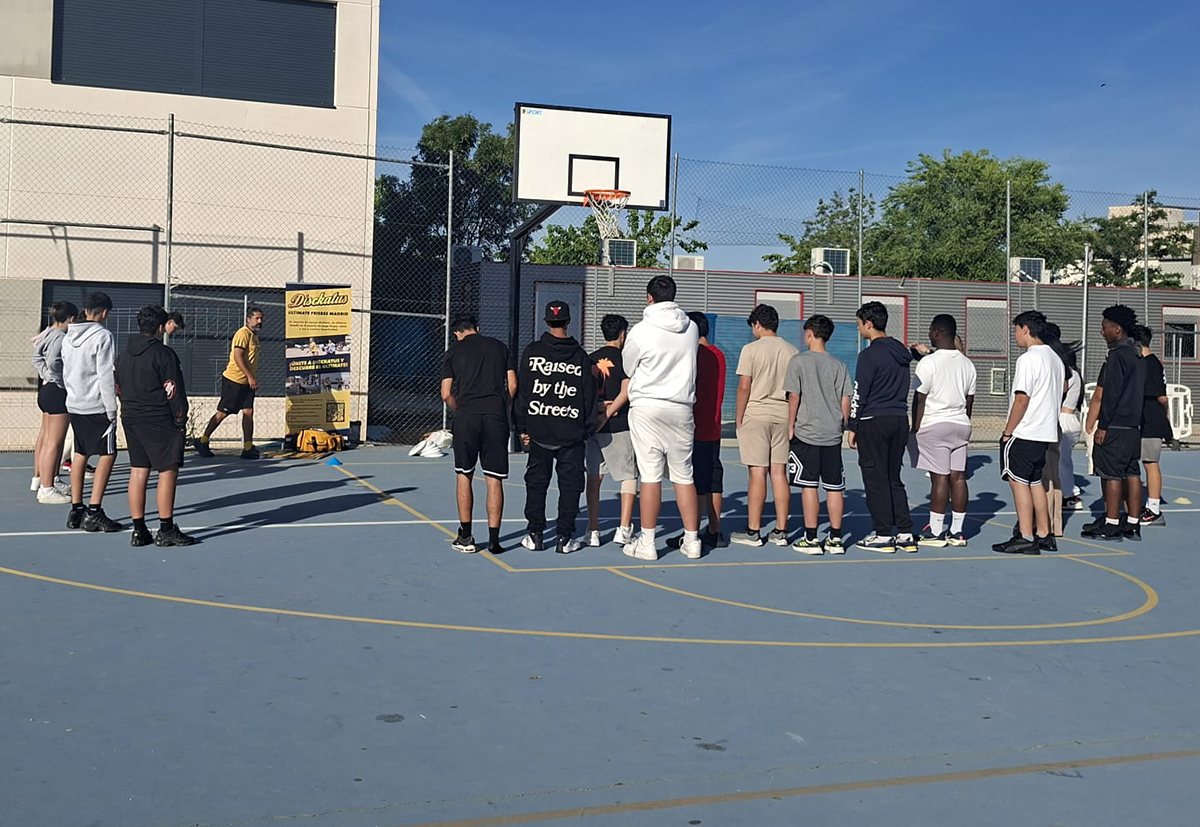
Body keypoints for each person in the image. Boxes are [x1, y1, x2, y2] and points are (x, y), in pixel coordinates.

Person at [622, 275, 703, 561]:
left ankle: (647, 541)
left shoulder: (641, 331)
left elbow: (628, 366)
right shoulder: (690, 327)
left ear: (649, 297)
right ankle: (692, 540)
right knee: (684, 474)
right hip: (681, 406)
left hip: (648, 406)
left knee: (650, 475)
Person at [513, 301, 596, 554]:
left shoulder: (533, 352)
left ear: (546, 322)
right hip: (570, 432)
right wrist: (587, 427)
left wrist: (522, 426)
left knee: (536, 483)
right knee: (570, 485)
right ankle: (564, 537)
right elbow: (588, 396)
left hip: (540, 430)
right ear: (568, 322)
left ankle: (535, 533)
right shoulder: (580, 356)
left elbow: (524, 392)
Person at [117, 305, 194, 547]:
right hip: (158, 418)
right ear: (161, 327)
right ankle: (166, 527)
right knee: (167, 470)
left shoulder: (123, 355)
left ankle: (139, 529)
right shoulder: (164, 354)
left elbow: (117, 387)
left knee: (138, 470)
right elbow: (173, 389)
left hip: (131, 416)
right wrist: (180, 420)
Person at [441, 314, 517, 555]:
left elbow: (445, 393)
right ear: (478, 328)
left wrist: (458, 408)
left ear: (456, 333)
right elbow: (513, 386)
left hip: (466, 417)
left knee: (465, 474)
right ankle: (495, 539)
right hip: (495, 416)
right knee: (494, 477)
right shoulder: (499, 347)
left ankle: (466, 536)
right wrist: (500, 404)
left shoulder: (453, 351)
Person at [992, 310, 1064, 555]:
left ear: (1025, 329)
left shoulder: (1028, 359)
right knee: (1036, 483)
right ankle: (1045, 533)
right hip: (1045, 431)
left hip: (1026, 431)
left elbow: (1022, 398)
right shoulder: (1055, 358)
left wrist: (1007, 431)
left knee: (1019, 482)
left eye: (1016, 330)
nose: (1015, 335)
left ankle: (1025, 536)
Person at [848, 301, 915, 553]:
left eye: (859, 324)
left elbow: (860, 392)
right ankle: (906, 531)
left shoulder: (868, 355)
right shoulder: (900, 352)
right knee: (892, 477)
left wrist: (853, 426)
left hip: (874, 421)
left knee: (875, 479)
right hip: (899, 419)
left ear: (869, 323)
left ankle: (883, 533)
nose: (858, 329)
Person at [731, 304, 799, 547]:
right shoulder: (791, 351)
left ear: (757, 324)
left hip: (756, 414)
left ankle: (753, 530)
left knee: (757, 472)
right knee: (779, 473)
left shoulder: (750, 350)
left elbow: (744, 387)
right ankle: (781, 530)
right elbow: (794, 392)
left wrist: (739, 418)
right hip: (782, 415)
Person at [784, 314, 852, 555]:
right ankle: (835, 538)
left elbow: (794, 396)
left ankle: (811, 538)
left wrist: (790, 425)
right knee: (834, 487)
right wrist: (841, 423)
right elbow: (846, 398)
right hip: (831, 433)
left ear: (810, 333)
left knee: (808, 486)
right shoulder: (839, 365)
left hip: (807, 431)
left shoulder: (798, 361)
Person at [911, 314, 976, 548]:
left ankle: (936, 531)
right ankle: (957, 531)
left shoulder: (928, 363)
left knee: (939, 479)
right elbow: (969, 401)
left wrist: (915, 427)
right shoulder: (968, 364)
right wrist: (963, 422)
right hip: (961, 424)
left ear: (936, 333)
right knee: (958, 477)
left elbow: (919, 398)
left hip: (935, 424)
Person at [1081, 305, 1145, 542]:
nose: (1102, 332)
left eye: (1105, 327)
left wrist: (1103, 425)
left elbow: (1111, 393)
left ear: (1117, 330)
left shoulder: (1117, 356)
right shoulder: (1139, 355)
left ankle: (1111, 523)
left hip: (1116, 425)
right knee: (1132, 472)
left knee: (1111, 474)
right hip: (1133, 426)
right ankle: (1133, 523)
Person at [61, 291, 122, 533]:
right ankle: (94, 510)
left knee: (81, 452)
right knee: (108, 454)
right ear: (105, 313)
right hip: (96, 404)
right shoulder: (103, 336)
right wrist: (112, 408)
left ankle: (77, 507)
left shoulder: (68, 336)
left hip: (75, 403)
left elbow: (66, 369)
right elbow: (105, 374)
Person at [667, 311, 728, 549]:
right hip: (713, 425)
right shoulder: (719, 355)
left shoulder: (694, 355)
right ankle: (714, 530)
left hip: (693, 426)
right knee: (713, 480)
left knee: (692, 481)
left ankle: (691, 532)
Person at [585, 314, 638, 548]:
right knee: (628, 476)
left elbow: (584, 394)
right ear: (623, 334)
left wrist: (597, 410)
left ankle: (593, 529)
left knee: (594, 478)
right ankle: (624, 528)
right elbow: (625, 392)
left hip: (594, 427)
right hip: (619, 425)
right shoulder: (626, 360)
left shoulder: (590, 359)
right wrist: (607, 414)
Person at [194, 307, 264, 459]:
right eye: (257, 318)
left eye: (261, 318)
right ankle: (203, 440)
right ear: (248, 319)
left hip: (247, 383)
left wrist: (250, 379)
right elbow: (238, 356)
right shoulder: (242, 334)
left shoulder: (254, 336)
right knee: (223, 412)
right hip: (234, 380)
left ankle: (247, 447)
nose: (260, 321)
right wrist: (250, 376)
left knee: (248, 412)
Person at [32, 301, 78, 504]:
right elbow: (51, 361)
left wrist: (46, 376)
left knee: (48, 438)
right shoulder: (60, 337)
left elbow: (37, 357)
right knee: (54, 442)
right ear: (71, 319)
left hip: (47, 389)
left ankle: (46, 479)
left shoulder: (49, 332)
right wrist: (59, 380)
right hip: (56, 391)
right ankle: (46, 488)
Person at [1135, 325, 1172, 527]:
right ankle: (1146, 504)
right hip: (1144, 418)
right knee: (1143, 462)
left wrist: (1165, 418)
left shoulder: (1150, 364)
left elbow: (1161, 396)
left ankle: (1154, 509)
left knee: (1150, 463)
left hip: (1151, 418)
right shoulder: (1145, 363)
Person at [1059, 344, 1085, 512]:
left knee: (1063, 461)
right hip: (1068, 419)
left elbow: (1062, 390)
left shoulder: (1071, 374)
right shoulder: (1076, 375)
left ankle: (1070, 495)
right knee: (1060, 460)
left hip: (1065, 419)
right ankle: (1064, 492)